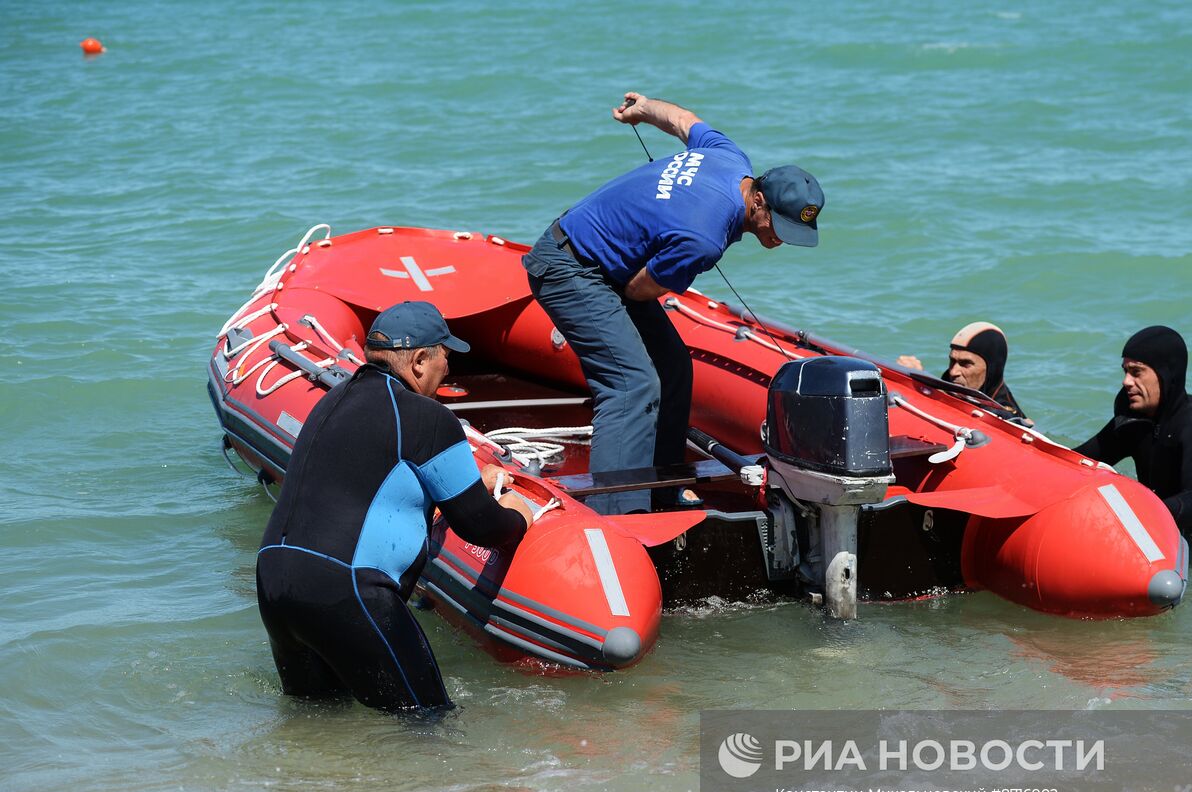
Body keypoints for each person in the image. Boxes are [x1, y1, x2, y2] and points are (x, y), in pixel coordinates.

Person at [522, 92, 824, 514]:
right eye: (780, 225)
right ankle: (616, 513)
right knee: (632, 383)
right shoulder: (703, 239)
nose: (781, 239)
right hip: (568, 269)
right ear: (757, 200)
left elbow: (682, 119)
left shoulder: (729, 158)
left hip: (602, 265)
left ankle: (662, 486)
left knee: (674, 368)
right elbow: (638, 291)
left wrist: (642, 108)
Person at [255, 301, 534, 713]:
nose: (448, 369)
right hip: (347, 589)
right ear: (420, 360)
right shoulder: (427, 416)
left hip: (275, 581)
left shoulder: (330, 402)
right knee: (428, 724)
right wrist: (517, 514)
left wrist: (474, 481)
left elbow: (368, 485)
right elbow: (481, 526)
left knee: (318, 722)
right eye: (445, 356)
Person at [1074, 325, 1192, 533]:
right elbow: (1079, 462)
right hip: (1164, 524)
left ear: (1166, 374)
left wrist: (1135, 517)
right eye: (1126, 371)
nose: (1126, 381)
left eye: (1136, 372)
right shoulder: (1133, 420)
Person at [897, 321, 1031, 424]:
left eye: (965, 364)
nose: (953, 371)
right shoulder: (947, 384)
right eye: (952, 361)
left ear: (991, 369)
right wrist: (917, 380)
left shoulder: (1006, 411)